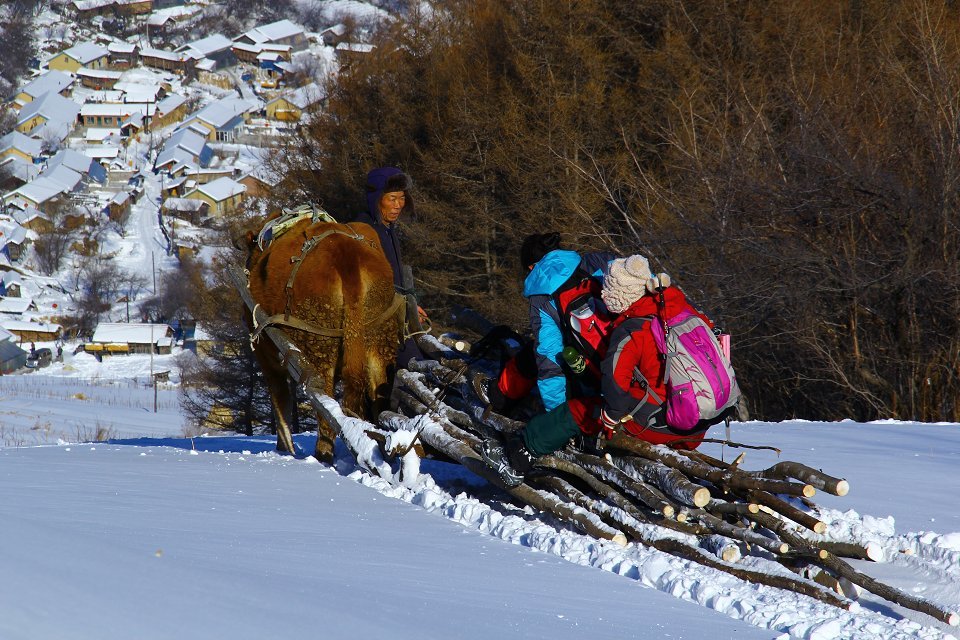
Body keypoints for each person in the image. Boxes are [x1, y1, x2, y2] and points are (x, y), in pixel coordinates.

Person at [480, 254, 715, 487]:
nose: (602, 295)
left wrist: (601, 419)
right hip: (698, 421)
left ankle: (518, 456)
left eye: (608, 290)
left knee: (576, 412)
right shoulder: (678, 307)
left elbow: (614, 394)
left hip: (661, 423)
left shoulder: (629, 331)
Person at [474, 232, 615, 416]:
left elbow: (549, 359)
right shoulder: (596, 261)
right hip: (642, 357)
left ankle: (498, 395)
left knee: (534, 354)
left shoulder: (541, 297)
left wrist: (556, 417)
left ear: (533, 266)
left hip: (598, 377)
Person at [353, 166, 426, 367]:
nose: (398, 205)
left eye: (402, 198)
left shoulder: (387, 228)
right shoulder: (364, 231)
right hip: (376, 325)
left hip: (396, 316)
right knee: (414, 368)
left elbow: (396, 280)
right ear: (377, 198)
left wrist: (411, 306)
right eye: (392, 198)